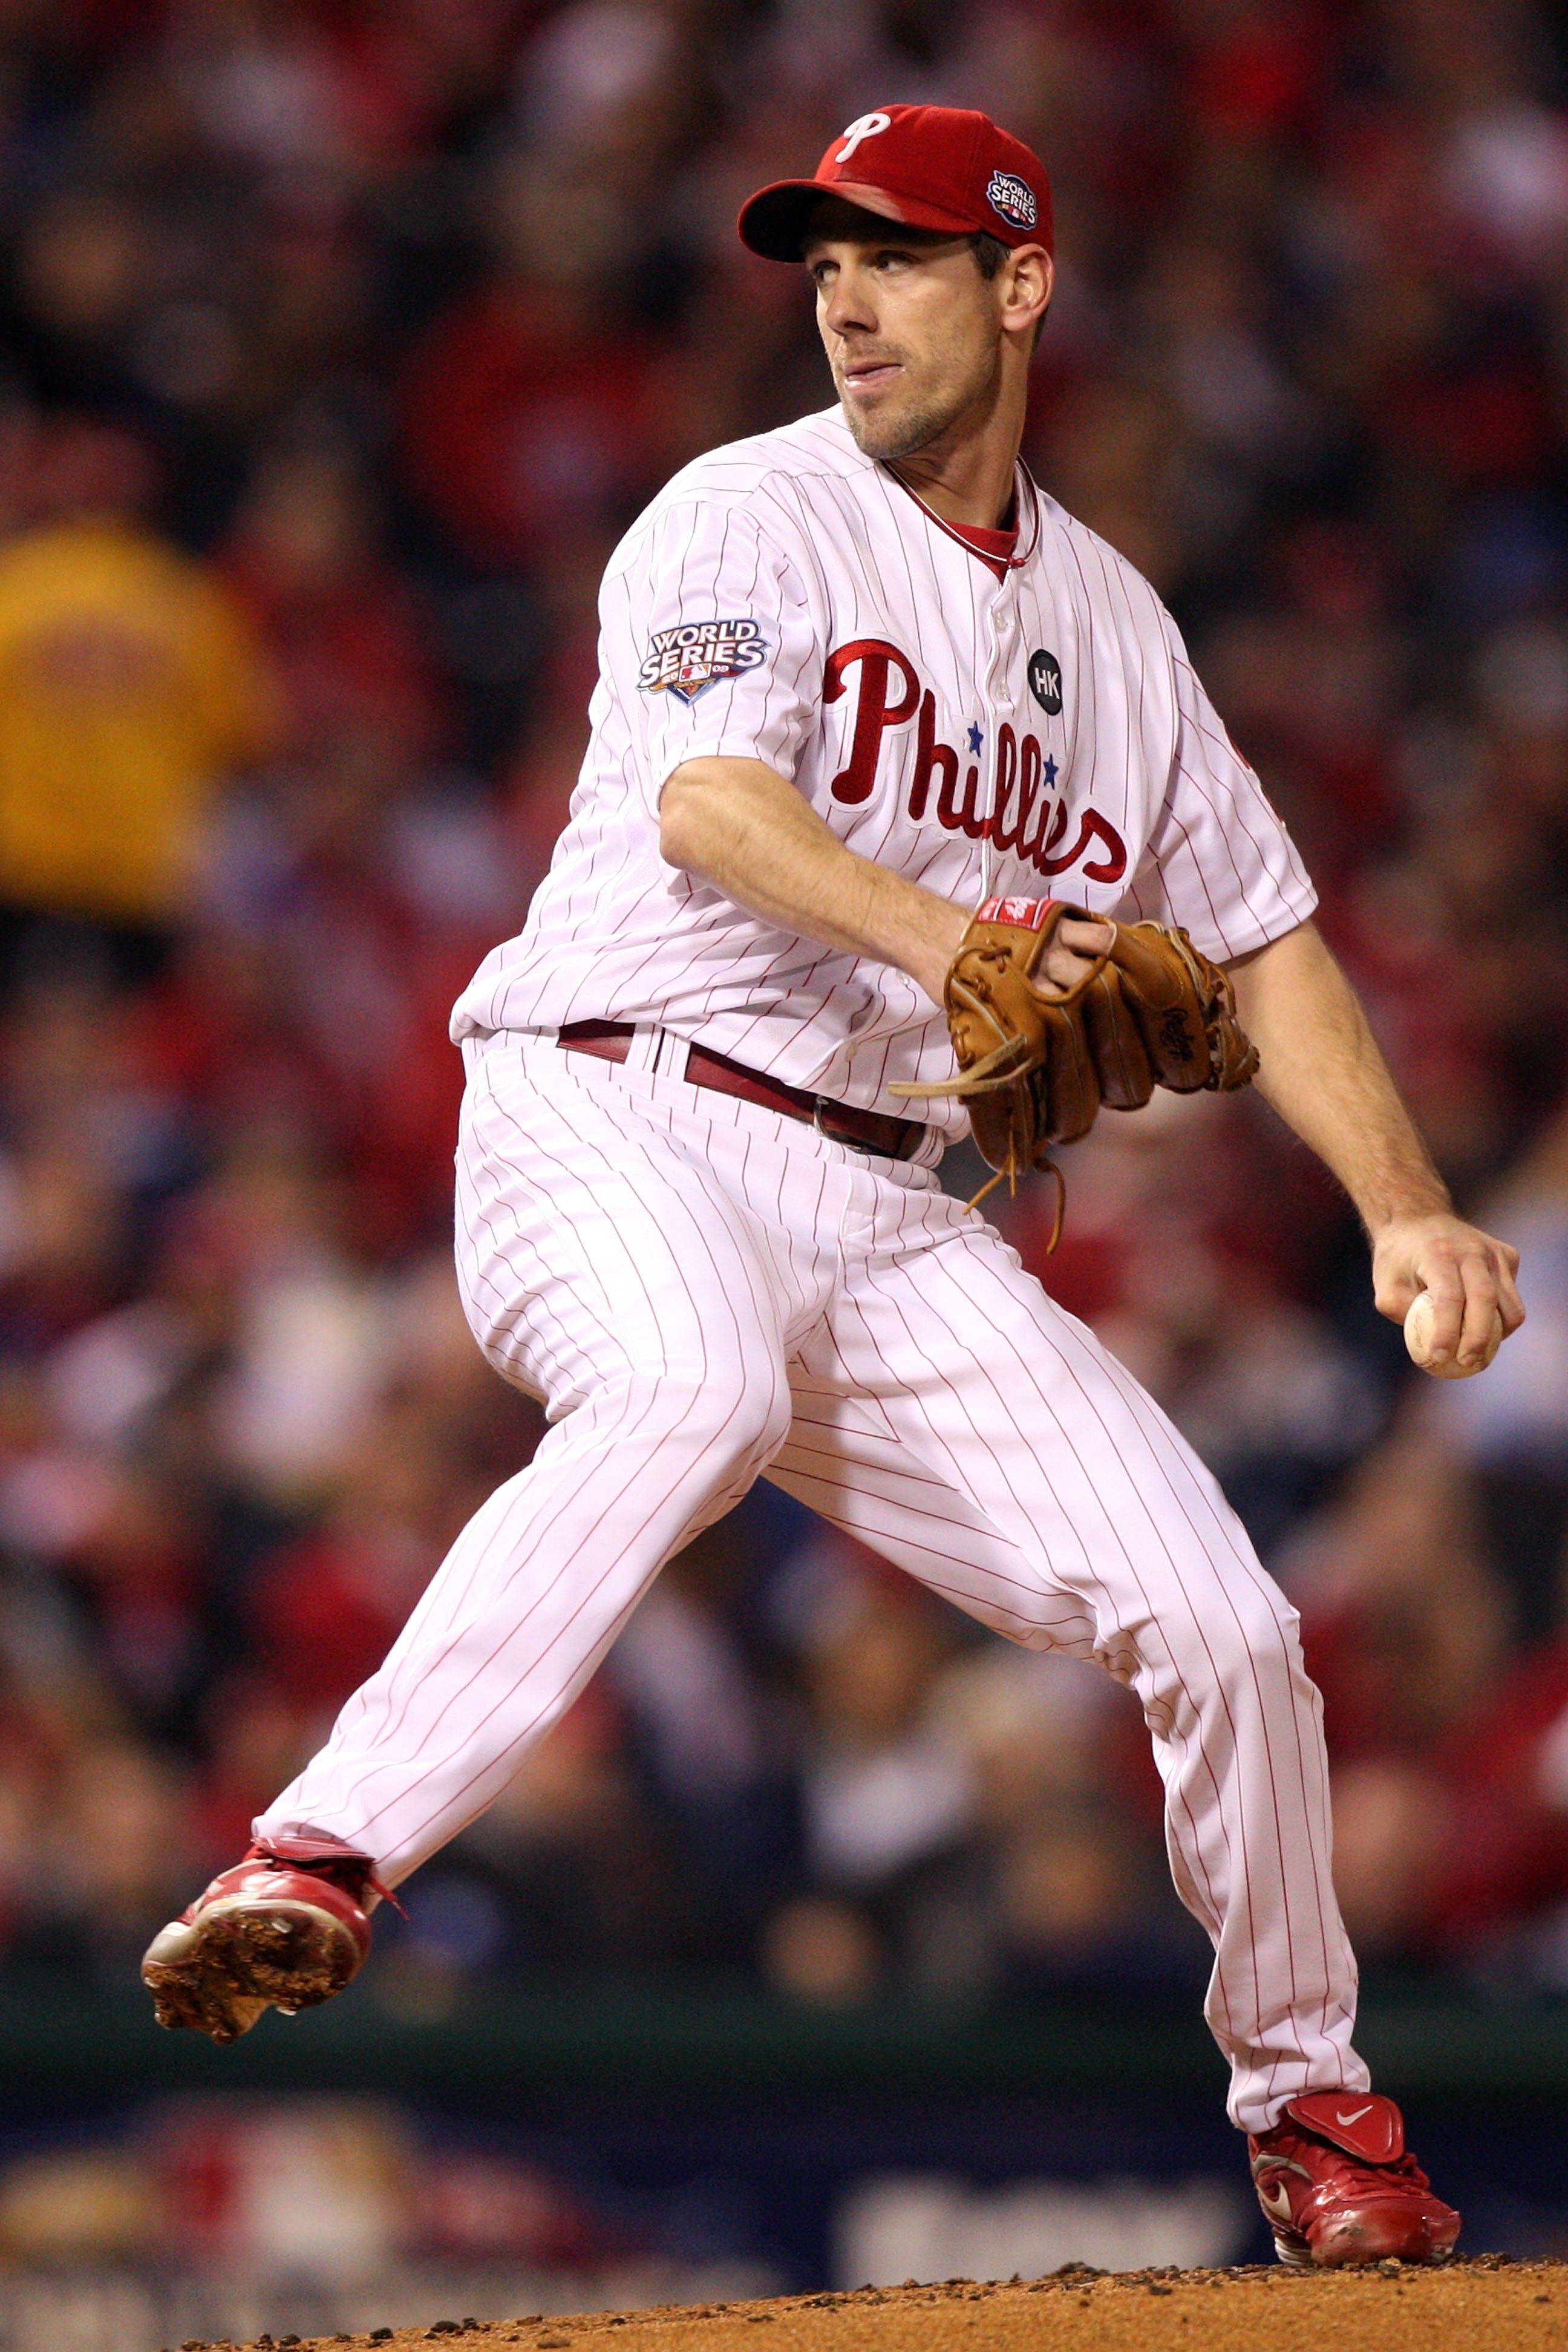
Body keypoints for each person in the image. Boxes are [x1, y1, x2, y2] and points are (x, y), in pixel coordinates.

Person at [143, 106, 1522, 2270]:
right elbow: (709, 806)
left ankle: (1317, 2108)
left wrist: (1406, 1207)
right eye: (822, 267)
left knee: (1234, 1629)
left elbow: (1264, 934)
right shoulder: (745, 510)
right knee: (684, 1390)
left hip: (891, 1213)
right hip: (612, 1108)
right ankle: (320, 1856)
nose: (850, 300)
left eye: (897, 256)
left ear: (1023, 283)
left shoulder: (1116, 632)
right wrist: (954, 946)